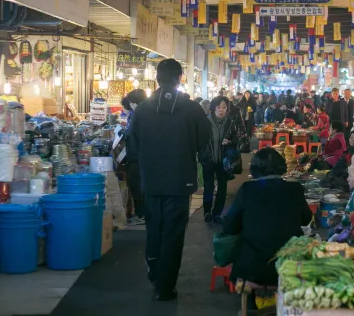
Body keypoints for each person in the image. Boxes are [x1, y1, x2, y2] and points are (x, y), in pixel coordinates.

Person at [128, 58, 211, 301]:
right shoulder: (192, 108)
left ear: (157, 78)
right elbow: (203, 140)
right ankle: (165, 287)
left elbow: (132, 145)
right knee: (174, 233)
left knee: (154, 228)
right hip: (180, 181)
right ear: (180, 78)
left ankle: (155, 272)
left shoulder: (142, 109)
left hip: (151, 181)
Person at [223, 148, 313, 289]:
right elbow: (306, 219)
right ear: (281, 166)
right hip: (290, 265)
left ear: (254, 168)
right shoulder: (295, 189)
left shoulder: (247, 189)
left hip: (253, 268)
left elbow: (229, 227)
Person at [199, 96, 246, 224]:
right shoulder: (205, 122)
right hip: (208, 159)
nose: (221, 110)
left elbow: (238, 139)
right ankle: (207, 212)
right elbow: (199, 139)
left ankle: (217, 214)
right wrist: (202, 153)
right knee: (208, 187)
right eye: (219, 107)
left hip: (224, 161)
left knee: (222, 187)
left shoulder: (230, 123)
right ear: (213, 108)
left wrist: (230, 141)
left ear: (227, 109)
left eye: (224, 107)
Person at [121, 89, 148, 226]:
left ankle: (141, 214)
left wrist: (124, 133)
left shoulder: (138, 115)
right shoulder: (148, 113)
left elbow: (132, 135)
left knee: (137, 187)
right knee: (141, 186)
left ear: (135, 103)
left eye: (131, 103)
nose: (130, 105)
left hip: (136, 157)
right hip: (143, 156)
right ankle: (142, 213)